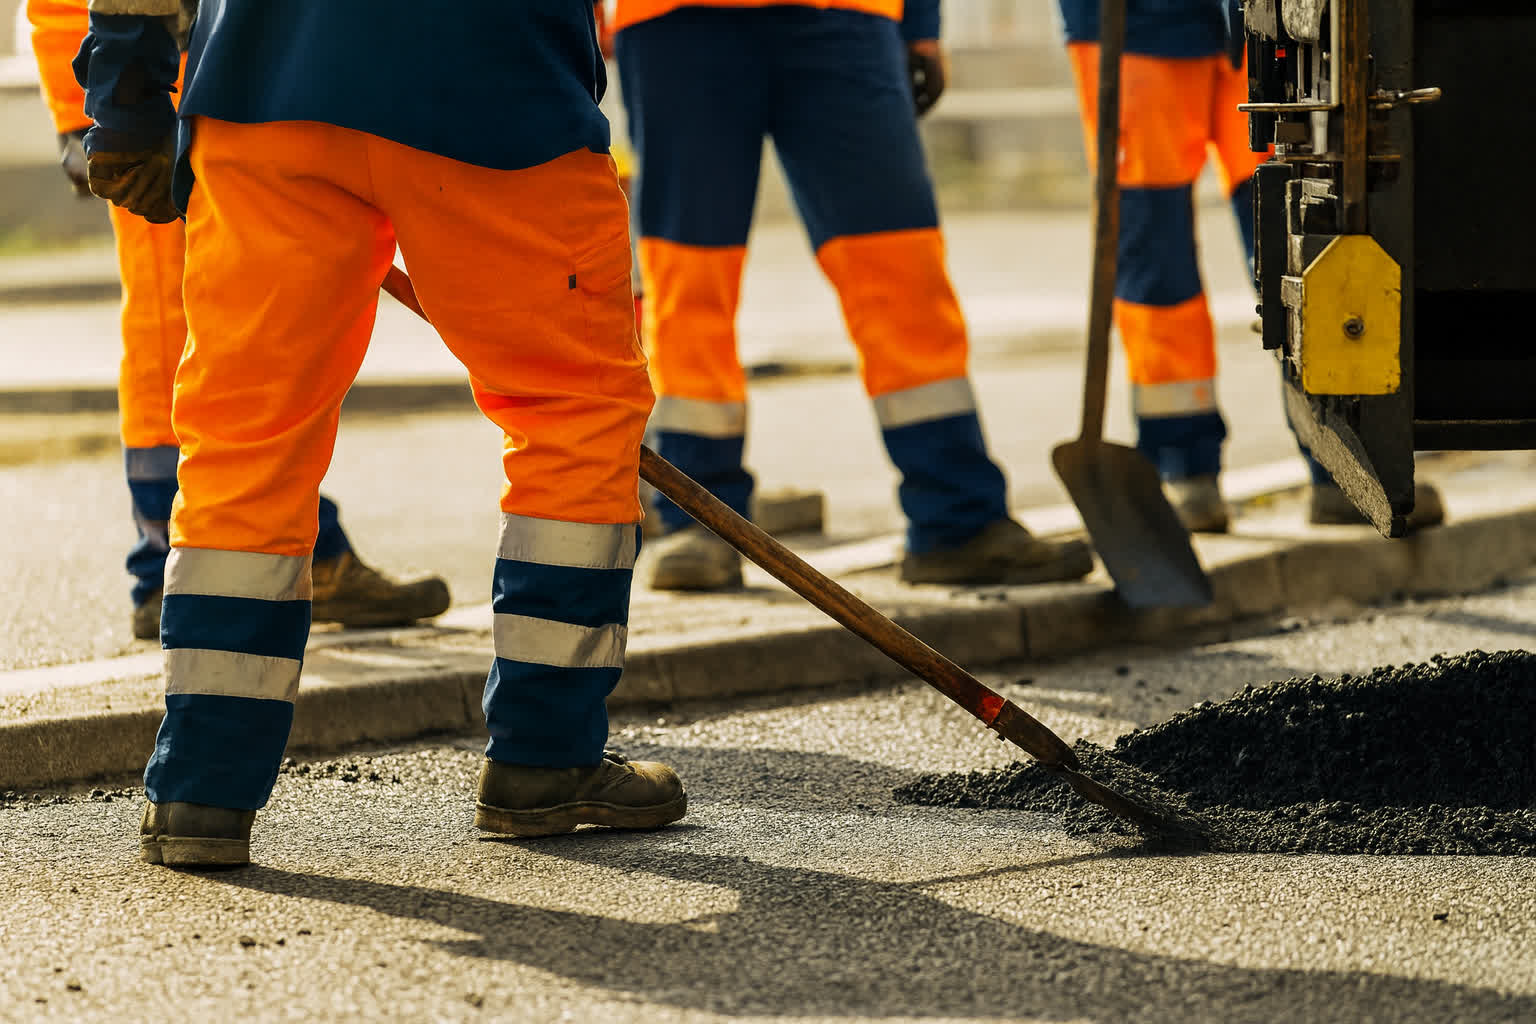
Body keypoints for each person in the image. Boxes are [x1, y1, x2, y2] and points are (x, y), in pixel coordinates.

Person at [72, 0, 686, 868]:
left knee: (247, 432)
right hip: (489, 79)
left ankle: (200, 787)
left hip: (261, 84)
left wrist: (127, 96)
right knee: (571, 409)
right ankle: (547, 755)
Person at [610, 0, 1095, 590]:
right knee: (690, 277)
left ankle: (958, 520)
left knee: (901, 268)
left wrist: (921, 23)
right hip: (676, 20)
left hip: (846, 18)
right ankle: (699, 524)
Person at [26, 0, 453, 640]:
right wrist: (85, 109)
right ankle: (180, 560)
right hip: (166, 94)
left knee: (252, 325)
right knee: (185, 325)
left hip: (207, 82)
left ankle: (273, 546)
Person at [1056, 0, 1442, 532]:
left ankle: (1344, 464)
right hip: (1135, 26)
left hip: (1269, 20)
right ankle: (1182, 468)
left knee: (1305, 225)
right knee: (1155, 265)